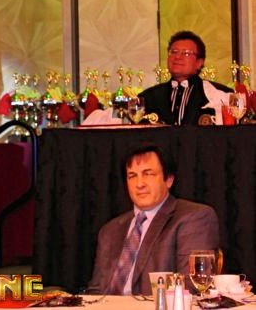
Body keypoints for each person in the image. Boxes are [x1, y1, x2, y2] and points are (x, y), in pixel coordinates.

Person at [87, 143, 219, 295]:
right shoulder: (110, 230)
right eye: (132, 176)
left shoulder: (194, 218)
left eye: (148, 174)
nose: (139, 184)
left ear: (169, 180)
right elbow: (96, 291)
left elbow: (191, 287)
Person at [139, 30, 232, 125]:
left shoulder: (221, 95)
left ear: (199, 62)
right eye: (174, 52)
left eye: (186, 53)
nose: (177, 57)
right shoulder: (147, 98)